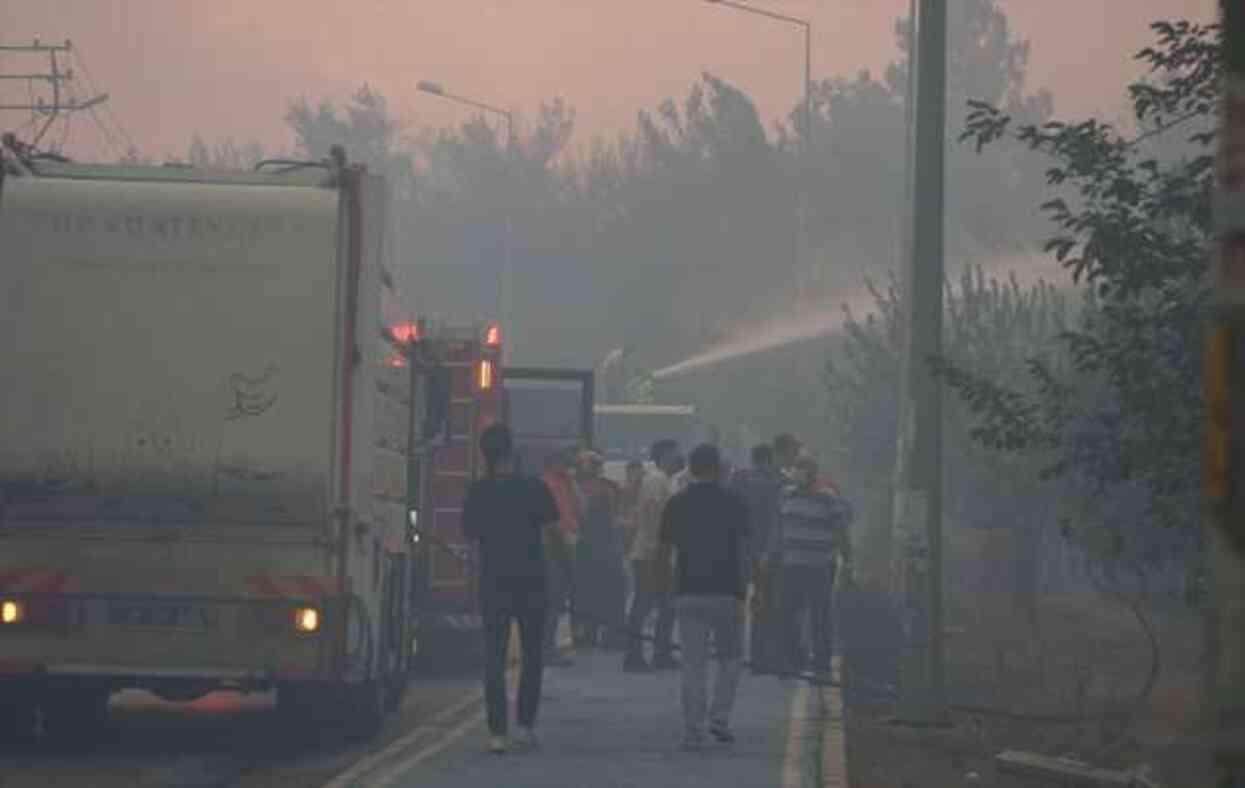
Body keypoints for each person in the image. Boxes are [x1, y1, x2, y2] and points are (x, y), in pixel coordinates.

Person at [461, 424, 562, 754]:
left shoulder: (478, 492)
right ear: (511, 452)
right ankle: (526, 725)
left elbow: (470, 537)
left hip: (494, 583)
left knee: (494, 658)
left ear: (485, 456)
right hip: (532, 583)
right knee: (533, 656)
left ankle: (497, 733)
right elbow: (551, 531)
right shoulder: (533, 488)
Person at [658, 443, 750, 749]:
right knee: (731, 658)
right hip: (728, 591)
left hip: (689, 591)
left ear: (692, 469)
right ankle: (719, 719)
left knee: (693, 664)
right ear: (716, 468)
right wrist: (752, 587)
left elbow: (664, 551)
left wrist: (666, 588)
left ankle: (693, 729)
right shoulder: (734, 502)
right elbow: (745, 550)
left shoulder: (677, 503)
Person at [774, 454, 854, 678]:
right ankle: (792, 661)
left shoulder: (827, 498)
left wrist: (848, 559)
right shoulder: (785, 495)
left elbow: (841, 531)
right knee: (786, 614)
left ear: (813, 473)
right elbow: (780, 527)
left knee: (820, 616)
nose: (799, 473)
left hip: (820, 566)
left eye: (804, 469)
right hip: (791, 565)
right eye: (797, 468)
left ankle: (822, 664)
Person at [623, 439, 682, 672]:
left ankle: (658, 653)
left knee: (662, 605)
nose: (679, 458)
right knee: (647, 604)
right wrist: (659, 549)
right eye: (675, 453)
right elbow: (654, 517)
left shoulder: (662, 480)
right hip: (652, 553)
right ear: (665, 455)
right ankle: (639, 655)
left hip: (655, 552)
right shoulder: (656, 480)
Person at [728, 443, 784, 674]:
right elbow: (777, 520)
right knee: (765, 605)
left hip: (739, 549)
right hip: (765, 552)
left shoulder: (738, 479)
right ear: (769, 459)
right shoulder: (778, 482)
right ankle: (761, 659)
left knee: (735, 604)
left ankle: (732, 651)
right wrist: (769, 551)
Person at [572, 450, 626, 649]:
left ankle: (606, 634)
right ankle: (590, 633)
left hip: (601, 547)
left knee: (602, 593)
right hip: (588, 547)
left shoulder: (608, 488)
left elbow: (615, 517)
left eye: (591, 465)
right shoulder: (574, 487)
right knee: (588, 594)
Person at [540, 449, 580, 667]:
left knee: (558, 598)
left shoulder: (565, 483)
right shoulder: (548, 484)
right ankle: (545, 649)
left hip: (566, 542)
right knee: (552, 599)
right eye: (563, 462)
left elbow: (580, 508)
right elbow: (551, 521)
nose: (566, 466)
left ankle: (548, 647)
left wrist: (572, 484)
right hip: (554, 547)